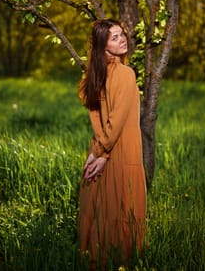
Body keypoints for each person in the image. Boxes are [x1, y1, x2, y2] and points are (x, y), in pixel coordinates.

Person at [79, 19, 146, 270]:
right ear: (102, 46)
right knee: (122, 205)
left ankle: (98, 257)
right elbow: (115, 121)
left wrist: (96, 152)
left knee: (103, 207)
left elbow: (98, 117)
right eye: (115, 37)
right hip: (120, 147)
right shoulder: (126, 74)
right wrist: (103, 154)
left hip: (102, 147)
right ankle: (123, 260)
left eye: (122, 34)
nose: (123, 39)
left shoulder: (95, 72)